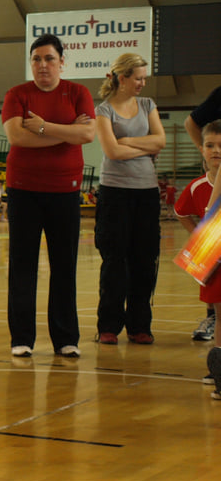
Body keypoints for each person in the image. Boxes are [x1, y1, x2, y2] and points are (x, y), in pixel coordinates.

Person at [1, 33, 95, 359]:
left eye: (49, 59)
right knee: (22, 266)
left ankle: (66, 338)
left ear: (61, 62)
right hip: (23, 190)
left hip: (65, 192)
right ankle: (22, 338)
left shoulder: (78, 92)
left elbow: (88, 133)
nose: (42, 65)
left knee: (64, 266)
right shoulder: (16, 94)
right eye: (36, 59)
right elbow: (16, 137)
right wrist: (65, 133)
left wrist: (42, 126)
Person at [93, 53, 166, 346]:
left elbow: (160, 141)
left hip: (146, 193)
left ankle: (140, 325)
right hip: (114, 193)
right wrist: (140, 146)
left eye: (143, 78)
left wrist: (126, 141)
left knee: (145, 260)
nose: (142, 83)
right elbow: (112, 152)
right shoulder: (103, 110)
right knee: (114, 261)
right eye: (137, 77)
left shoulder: (147, 105)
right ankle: (108, 325)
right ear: (122, 78)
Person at [175, 120, 221, 396]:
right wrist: (200, 238)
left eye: (220, 145)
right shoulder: (197, 186)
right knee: (219, 311)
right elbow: (189, 213)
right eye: (210, 145)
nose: (216, 150)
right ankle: (218, 369)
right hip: (214, 255)